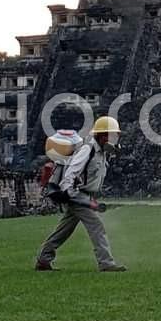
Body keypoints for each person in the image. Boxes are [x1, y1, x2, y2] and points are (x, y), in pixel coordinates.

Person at [35, 116, 127, 272]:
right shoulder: (87, 149)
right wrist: (72, 193)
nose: (115, 138)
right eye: (113, 134)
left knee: (64, 230)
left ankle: (43, 259)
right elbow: (71, 172)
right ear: (103, 135)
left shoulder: (102, 152)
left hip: (85, 196)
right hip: (77, 195)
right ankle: (106, 263)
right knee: (97, 226)